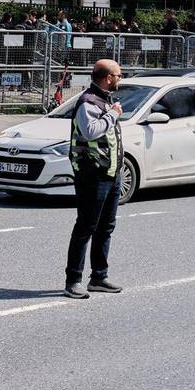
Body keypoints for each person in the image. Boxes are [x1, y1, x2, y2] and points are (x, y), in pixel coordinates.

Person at [63, 59, 125, 299]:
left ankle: (99, 277)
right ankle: (73, 281)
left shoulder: (105, 100)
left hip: (111, 174)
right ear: (108, 78)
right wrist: (113, 115)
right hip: (92, 175)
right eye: (118, 75)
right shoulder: (88, 102)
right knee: (85, 227)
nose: (120, 79)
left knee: (106, 227)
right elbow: (90, 131)